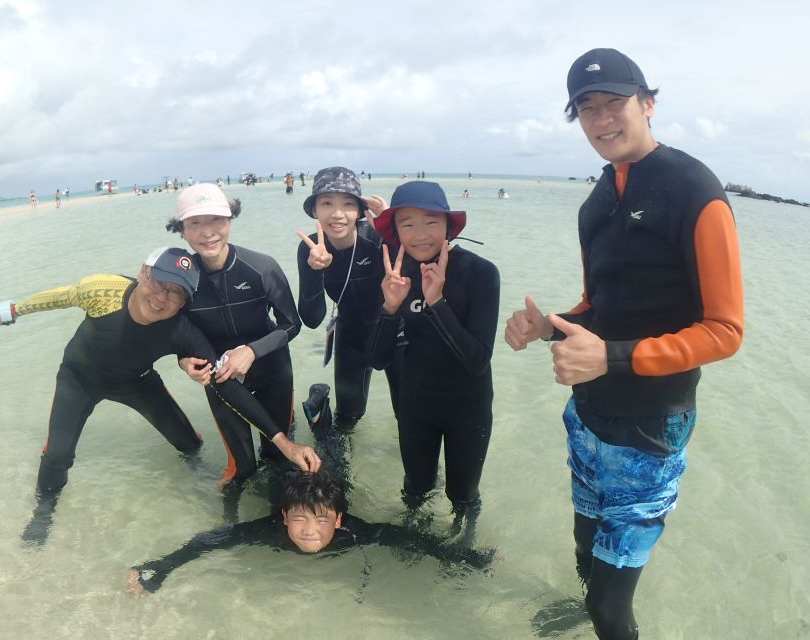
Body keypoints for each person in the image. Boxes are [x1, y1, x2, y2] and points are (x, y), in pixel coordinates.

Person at [504, 48, 743, 640]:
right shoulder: (596, 202)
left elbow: (726, 330)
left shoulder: (695, 189)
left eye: (615, 101)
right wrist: (548, 326)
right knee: (584, 551)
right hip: (589, 414)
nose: (601, 118)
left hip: (650, 429)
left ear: (648, 103)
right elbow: (599, 306)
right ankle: (585, 607)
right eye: (587, 108)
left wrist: (609, 356)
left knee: (613, 611)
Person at [0, 246, 319, 546]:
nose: (161, 297)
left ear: (185, 303)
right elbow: (60, 296)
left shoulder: (181, 327)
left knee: (189, 444)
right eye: (159, 283)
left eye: (176, 293)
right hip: (78, 380)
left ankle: (195, 471)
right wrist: (7, 313)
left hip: (137, 383)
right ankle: (44, 511)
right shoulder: (102, 290)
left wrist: (283, 443)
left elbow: (224, 383)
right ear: (144, 273)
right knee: (57, 453)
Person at [127, 470, 494, 596]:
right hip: (286, 487)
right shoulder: (270, 530)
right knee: (270, 474)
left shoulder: (352, 531)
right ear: (285, 517)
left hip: (328, 490)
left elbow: (404, 537)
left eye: (321, 521)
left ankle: (326, 426)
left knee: (337, 465)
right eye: (299, 520)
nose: (309, 532)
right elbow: (212, 540)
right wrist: (161, 567)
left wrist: (465, 558)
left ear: (338, 520)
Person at [367, 181, 500, 523]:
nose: (421, 235)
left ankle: (463, 546)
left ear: (447, 225)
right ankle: (412, 540)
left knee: (463, 496)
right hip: (416, 404)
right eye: (408, 224)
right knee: (416, 488)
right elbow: (377, 360)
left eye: (431, 222)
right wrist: (389, 309)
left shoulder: (480, 273)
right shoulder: (396, 275)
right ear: (396, 231)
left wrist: (436, 302)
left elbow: (477, 360)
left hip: (468, 407)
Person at [166, 184, 303, 490]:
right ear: (182, 231)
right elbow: (182, 340)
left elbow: (291, 325)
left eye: (216, 220)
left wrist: (251, 351)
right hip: (221, 379)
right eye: (195, 223)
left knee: (278, 459)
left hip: (272, 370)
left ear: (230, 220)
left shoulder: (261, 267)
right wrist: (185, 363)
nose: (207, 232)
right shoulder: (181, 281)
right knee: (242, 469)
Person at [295, 166, 400, 429]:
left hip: (396, 335)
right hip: (350, 337)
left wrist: (393, 232)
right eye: (327, 203)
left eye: (348, 204)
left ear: (360, 211)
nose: (338, 213)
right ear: (314, 210)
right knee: (347, 420)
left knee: (409, 414)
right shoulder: (310, 248)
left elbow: (416, 278)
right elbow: (312, 319)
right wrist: (315, 271)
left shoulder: (377, 238)